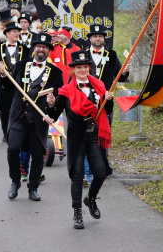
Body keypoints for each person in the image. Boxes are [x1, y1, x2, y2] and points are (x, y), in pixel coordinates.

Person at [45, 50, 114, 229]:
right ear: (73, 70)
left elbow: (107, 110)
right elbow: (55, 111)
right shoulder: (66, 90)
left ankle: (90, 199)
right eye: (79, 67)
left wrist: (109, 99)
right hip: (76, 137)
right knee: (77, 175)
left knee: (101, 172)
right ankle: (77, 212)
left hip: (94, 134)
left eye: (85, 67)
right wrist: (51, 106)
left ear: (89, 68)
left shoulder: (98, 86)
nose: (83, 70)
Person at [0, 32, 64, 201]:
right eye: (39, 46)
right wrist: (3, 74)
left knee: (38, 154)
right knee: (12, 149)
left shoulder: (55, 73)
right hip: (18, 116)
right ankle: (15, 181)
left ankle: (33, 187)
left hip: (39, 119)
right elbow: (9, 87)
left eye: (45, 47)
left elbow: (61, 99)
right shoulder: (20, 65)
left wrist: (52, 108)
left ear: (49, 50)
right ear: (34, 48)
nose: (41, 50)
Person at [83, 24, 130, 185]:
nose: (98, 38)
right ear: (90, 38)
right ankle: (86, 170)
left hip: (105, 103)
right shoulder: (83, 55)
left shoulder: (112, 54)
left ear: (104, 38)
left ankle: (102, 165)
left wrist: (124, 72)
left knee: (103, 134)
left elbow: (120, 78)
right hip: (86, 103)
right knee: (86, 135)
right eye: (95, 36)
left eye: (100, 36)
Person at [0, 22, 30, 142]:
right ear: (7, 33)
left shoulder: (25, 49)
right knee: (5, 110)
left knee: (20, 109)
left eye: (18, 31)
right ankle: (6, 133)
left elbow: (27, 64)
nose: (17, 33)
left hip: (19, 84)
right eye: (14, 31)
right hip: (3, 84)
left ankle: (18, 132)